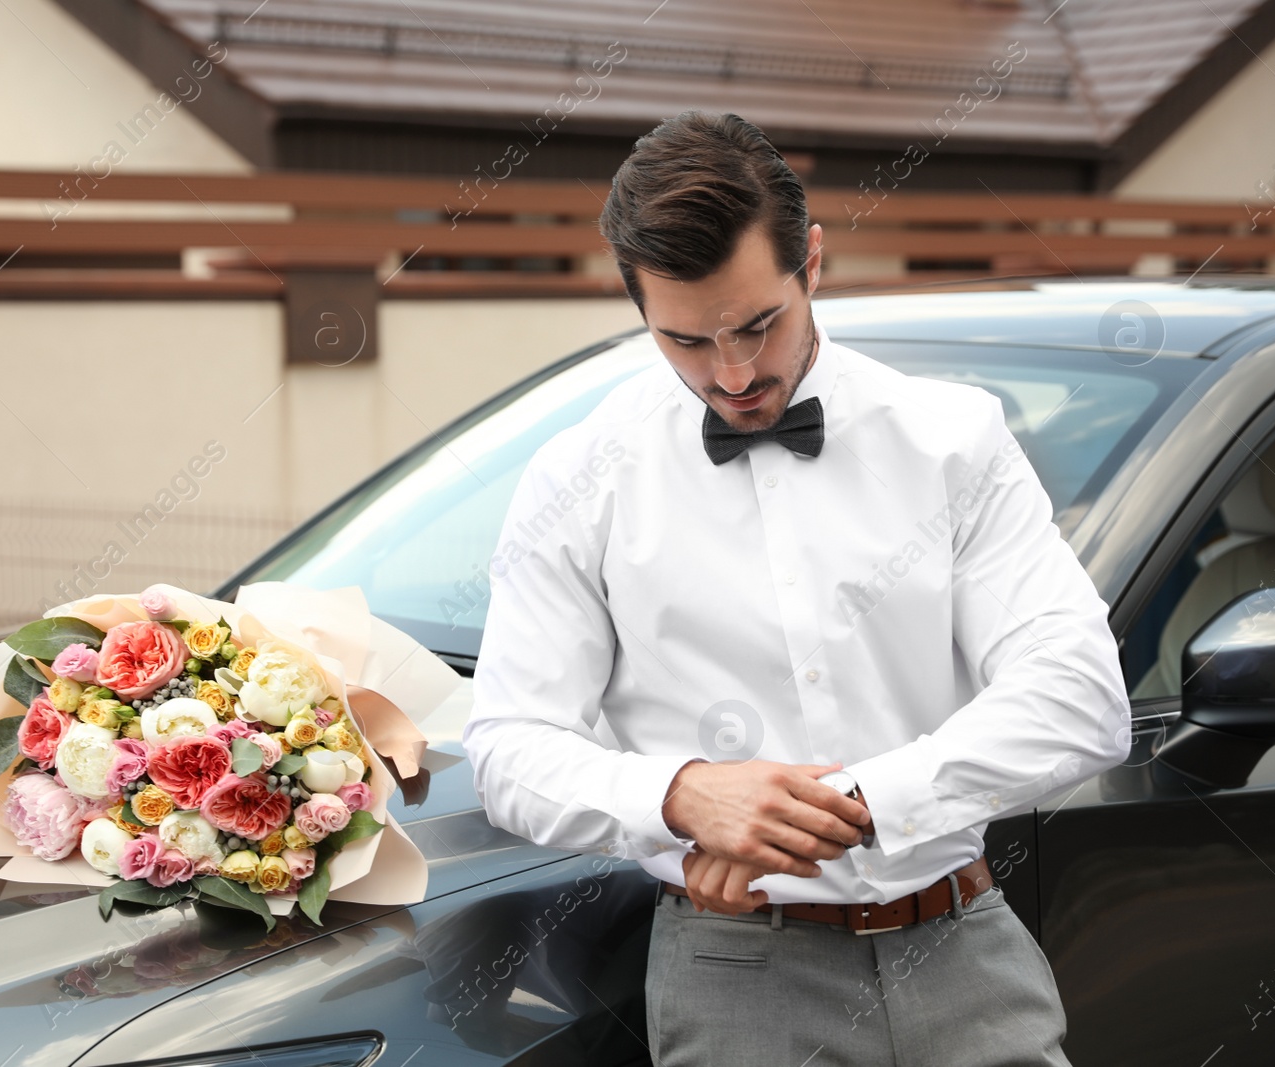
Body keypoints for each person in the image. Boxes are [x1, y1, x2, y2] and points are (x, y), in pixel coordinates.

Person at [461, 110, 1130, 1066]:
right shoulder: (578, 479)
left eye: (758, 325)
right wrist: (685, 797)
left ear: (811, 261)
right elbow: (509, 747)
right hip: (736, 980)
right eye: (686, 341)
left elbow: (1081, 699)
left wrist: (856, 802)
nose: (732, 374)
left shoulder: (954, 439)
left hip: (968, 953)